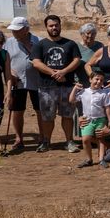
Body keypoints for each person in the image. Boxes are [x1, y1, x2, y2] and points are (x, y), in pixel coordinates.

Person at [30, 14, 82, 153]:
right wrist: (54, 73)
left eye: (56, 25)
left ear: (60, 25)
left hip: (67, 86)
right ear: (46, 27)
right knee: (47, 117)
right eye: (51, 26)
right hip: (47, 87)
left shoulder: (70, 44)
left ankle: (69, 142)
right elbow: (36, 63)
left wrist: (64, 72)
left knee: (67, 115)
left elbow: (76, 60)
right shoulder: (40, 45)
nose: (54, 28)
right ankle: (46, 141)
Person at [3, 17, 40, 152]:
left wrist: (32, 50)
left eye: (17, 30)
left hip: (37, 81)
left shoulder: (38, 41)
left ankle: (43, 138)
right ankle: (19, 139)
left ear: (26, 30)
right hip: (16, 82)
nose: (14, 33)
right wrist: (10, 73)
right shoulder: (8, 43)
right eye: (12, 30)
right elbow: (4, 61)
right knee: (17, 111)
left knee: (39, 110)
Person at [71, 70, 110, 168]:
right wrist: (75, 89)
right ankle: (89, 159)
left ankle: (102, 159)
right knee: (85, 139)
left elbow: (107, 108)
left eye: (101, 80)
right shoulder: (84, 92)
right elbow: (71, 100)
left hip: (100, 119)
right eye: (96, 79)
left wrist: (109, 120)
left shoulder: (103, 94)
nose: (98, 82)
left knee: (100, 138)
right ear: (90, 79)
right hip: (87, 120)